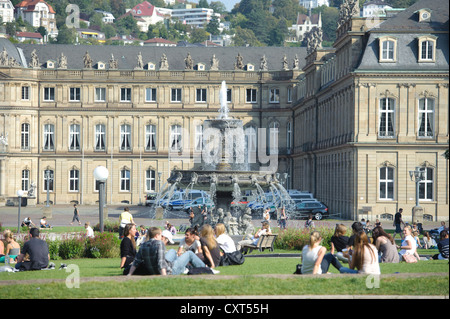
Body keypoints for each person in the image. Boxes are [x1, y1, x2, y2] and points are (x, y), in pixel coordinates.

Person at [127, 227, 210, 276]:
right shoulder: (159, 243)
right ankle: (206, 269)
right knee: (189, 254)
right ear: (156, 236)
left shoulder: (143, 245)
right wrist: (164, 276)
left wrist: (129, 274)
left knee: (172, 251)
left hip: (155, 270)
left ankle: (184, 268)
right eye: (160, 235)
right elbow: (161, 262)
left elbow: (136, 261)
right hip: (169, 271)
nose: (161, 237)